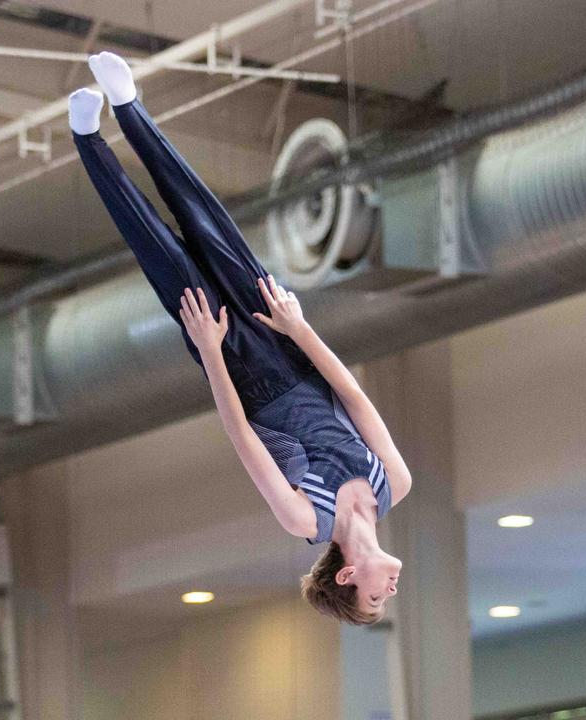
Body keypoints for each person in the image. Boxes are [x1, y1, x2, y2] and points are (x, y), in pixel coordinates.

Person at [68, 52, 413, 624]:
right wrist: (299, 329)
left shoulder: (307, 520)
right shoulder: (393, 481)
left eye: (374, 597)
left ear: (349, 575)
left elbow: (239, 434)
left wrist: (209, 352)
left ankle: (88, 140)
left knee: (163, 249)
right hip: (286, 345)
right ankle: (128, 105)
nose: (390, 592)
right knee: (206, 220)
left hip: (239, 370)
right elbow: (353, 396)